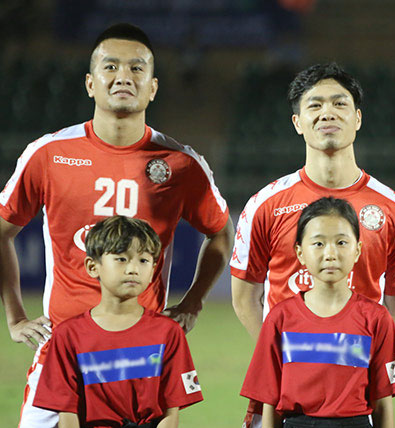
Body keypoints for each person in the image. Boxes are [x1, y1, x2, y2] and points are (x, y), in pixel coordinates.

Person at [0, 23, 233, 427]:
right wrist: (16, 317)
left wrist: (193, 302)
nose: (123, 75)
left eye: (136, 68)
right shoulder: (49, 154)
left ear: (153, 87)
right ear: (90, 83)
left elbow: (220, 233)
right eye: (110, 66)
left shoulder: (180, 164)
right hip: (63, 348)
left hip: (141, 353)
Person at [231, 63, 395, 427]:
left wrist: (358, 359)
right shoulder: (264, 206)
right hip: (284, 395)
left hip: (355, 395)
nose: (327, 113)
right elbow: (244, 296)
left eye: (339, 103)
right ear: (298, 122)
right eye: (314, 105)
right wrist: (285, 359)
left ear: (358, 118)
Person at [241, 197, 395, 428]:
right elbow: (270, 402)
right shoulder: (280, 318)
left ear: (358, 250)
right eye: (318, 244)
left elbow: (383, 403)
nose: (330, 254)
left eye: (341, 242)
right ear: (300, 253)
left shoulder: (377, 319)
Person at [32, 216, 203, 427]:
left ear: (153, 270)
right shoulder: (68, 335)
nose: (133, 269)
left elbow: (171, 412)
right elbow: (67, 412)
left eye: (143, 260)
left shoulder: (168, 332)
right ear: (92, 266)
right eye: (121, 259)